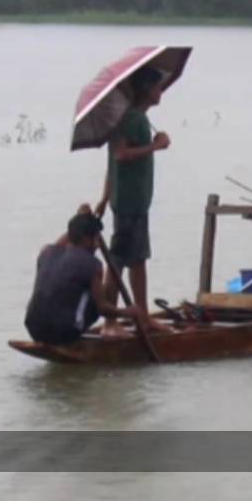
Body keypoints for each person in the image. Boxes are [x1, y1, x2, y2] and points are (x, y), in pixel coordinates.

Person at [95, 66, 171, 330]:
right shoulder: (134, 120)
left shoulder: (127, 118)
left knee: (135, 260)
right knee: (118, 262)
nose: (161, 91)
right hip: (130, 202)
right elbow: (121, 156)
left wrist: (104, 199)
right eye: (158, 86)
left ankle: (141, 317)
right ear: (147, 90)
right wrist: (156, 146)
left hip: (126, 200)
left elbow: (112, 165)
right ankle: (112, 322)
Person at [24, 206, 151, 344]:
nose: (97, 245)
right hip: (63, 333)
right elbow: (102, 308)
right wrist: (128, 312)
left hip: (33, 328)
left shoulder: (46, 252)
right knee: (100, 294)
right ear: (85, 238)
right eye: (95, 239)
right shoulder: (92, 265)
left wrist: (80, 219)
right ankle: (109, 326)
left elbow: (70, 237)